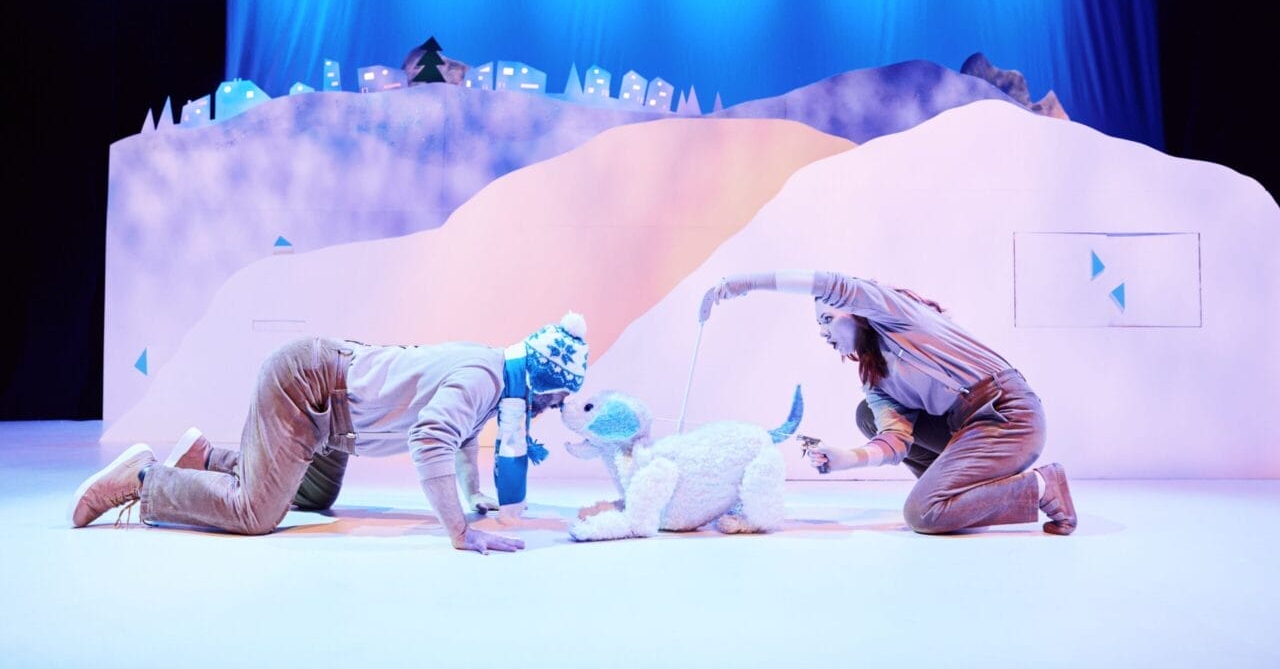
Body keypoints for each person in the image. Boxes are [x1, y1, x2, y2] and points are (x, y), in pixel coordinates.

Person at [69, 313, 590, 553]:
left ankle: (206, 458)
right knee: (256, 515)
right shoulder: (484, 377)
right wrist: (458, 530)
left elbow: (458, 436)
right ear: (543, 383)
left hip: (333, 419)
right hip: (309, 386)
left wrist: (475, 495)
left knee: (316, 497)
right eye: (556, 398)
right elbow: (431, 440)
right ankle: (143, 481)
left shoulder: (492, 373)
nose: (551, 409)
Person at [701, 271, 1076, 535]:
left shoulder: (897, 316)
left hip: (1007, 415)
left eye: (828, 318)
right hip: (967, 428)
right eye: (819, 325)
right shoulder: (873, 376)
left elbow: (833, 283)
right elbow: (895, 440)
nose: (823, 332)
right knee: (867, 416)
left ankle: (1042, 486)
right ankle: (959, 495)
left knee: (922, 513)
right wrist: (846, 458)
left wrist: (747, 282)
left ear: (858, 312)